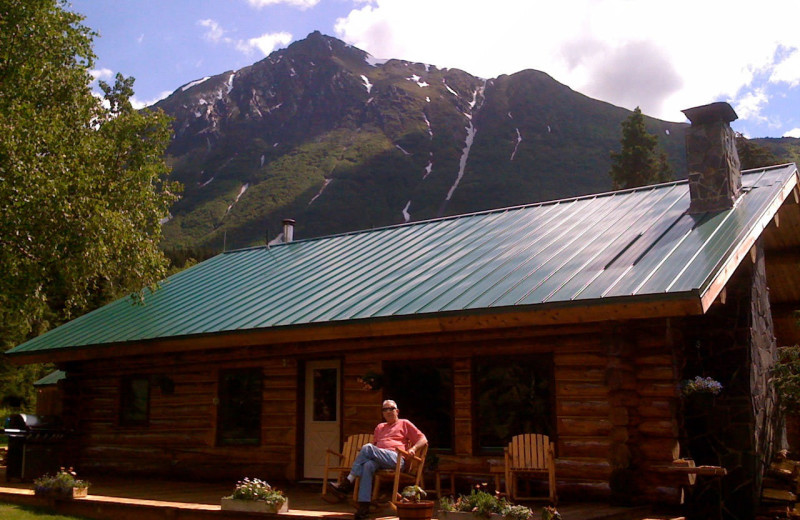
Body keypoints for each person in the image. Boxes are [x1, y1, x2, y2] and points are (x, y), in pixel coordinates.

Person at [328, 399, 427, 519]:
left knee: (368, 448)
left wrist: (413, 449)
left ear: (397, 411)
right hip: (380, 459)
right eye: (385, 409)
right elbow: (374, 448)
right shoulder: (380, 427)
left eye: (391, 408)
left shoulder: (404, 423)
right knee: (368, 465)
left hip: (396, 458)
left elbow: (423, 439)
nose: (388, 411)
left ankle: (348, 481)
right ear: (382, 413)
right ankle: (364, 506)